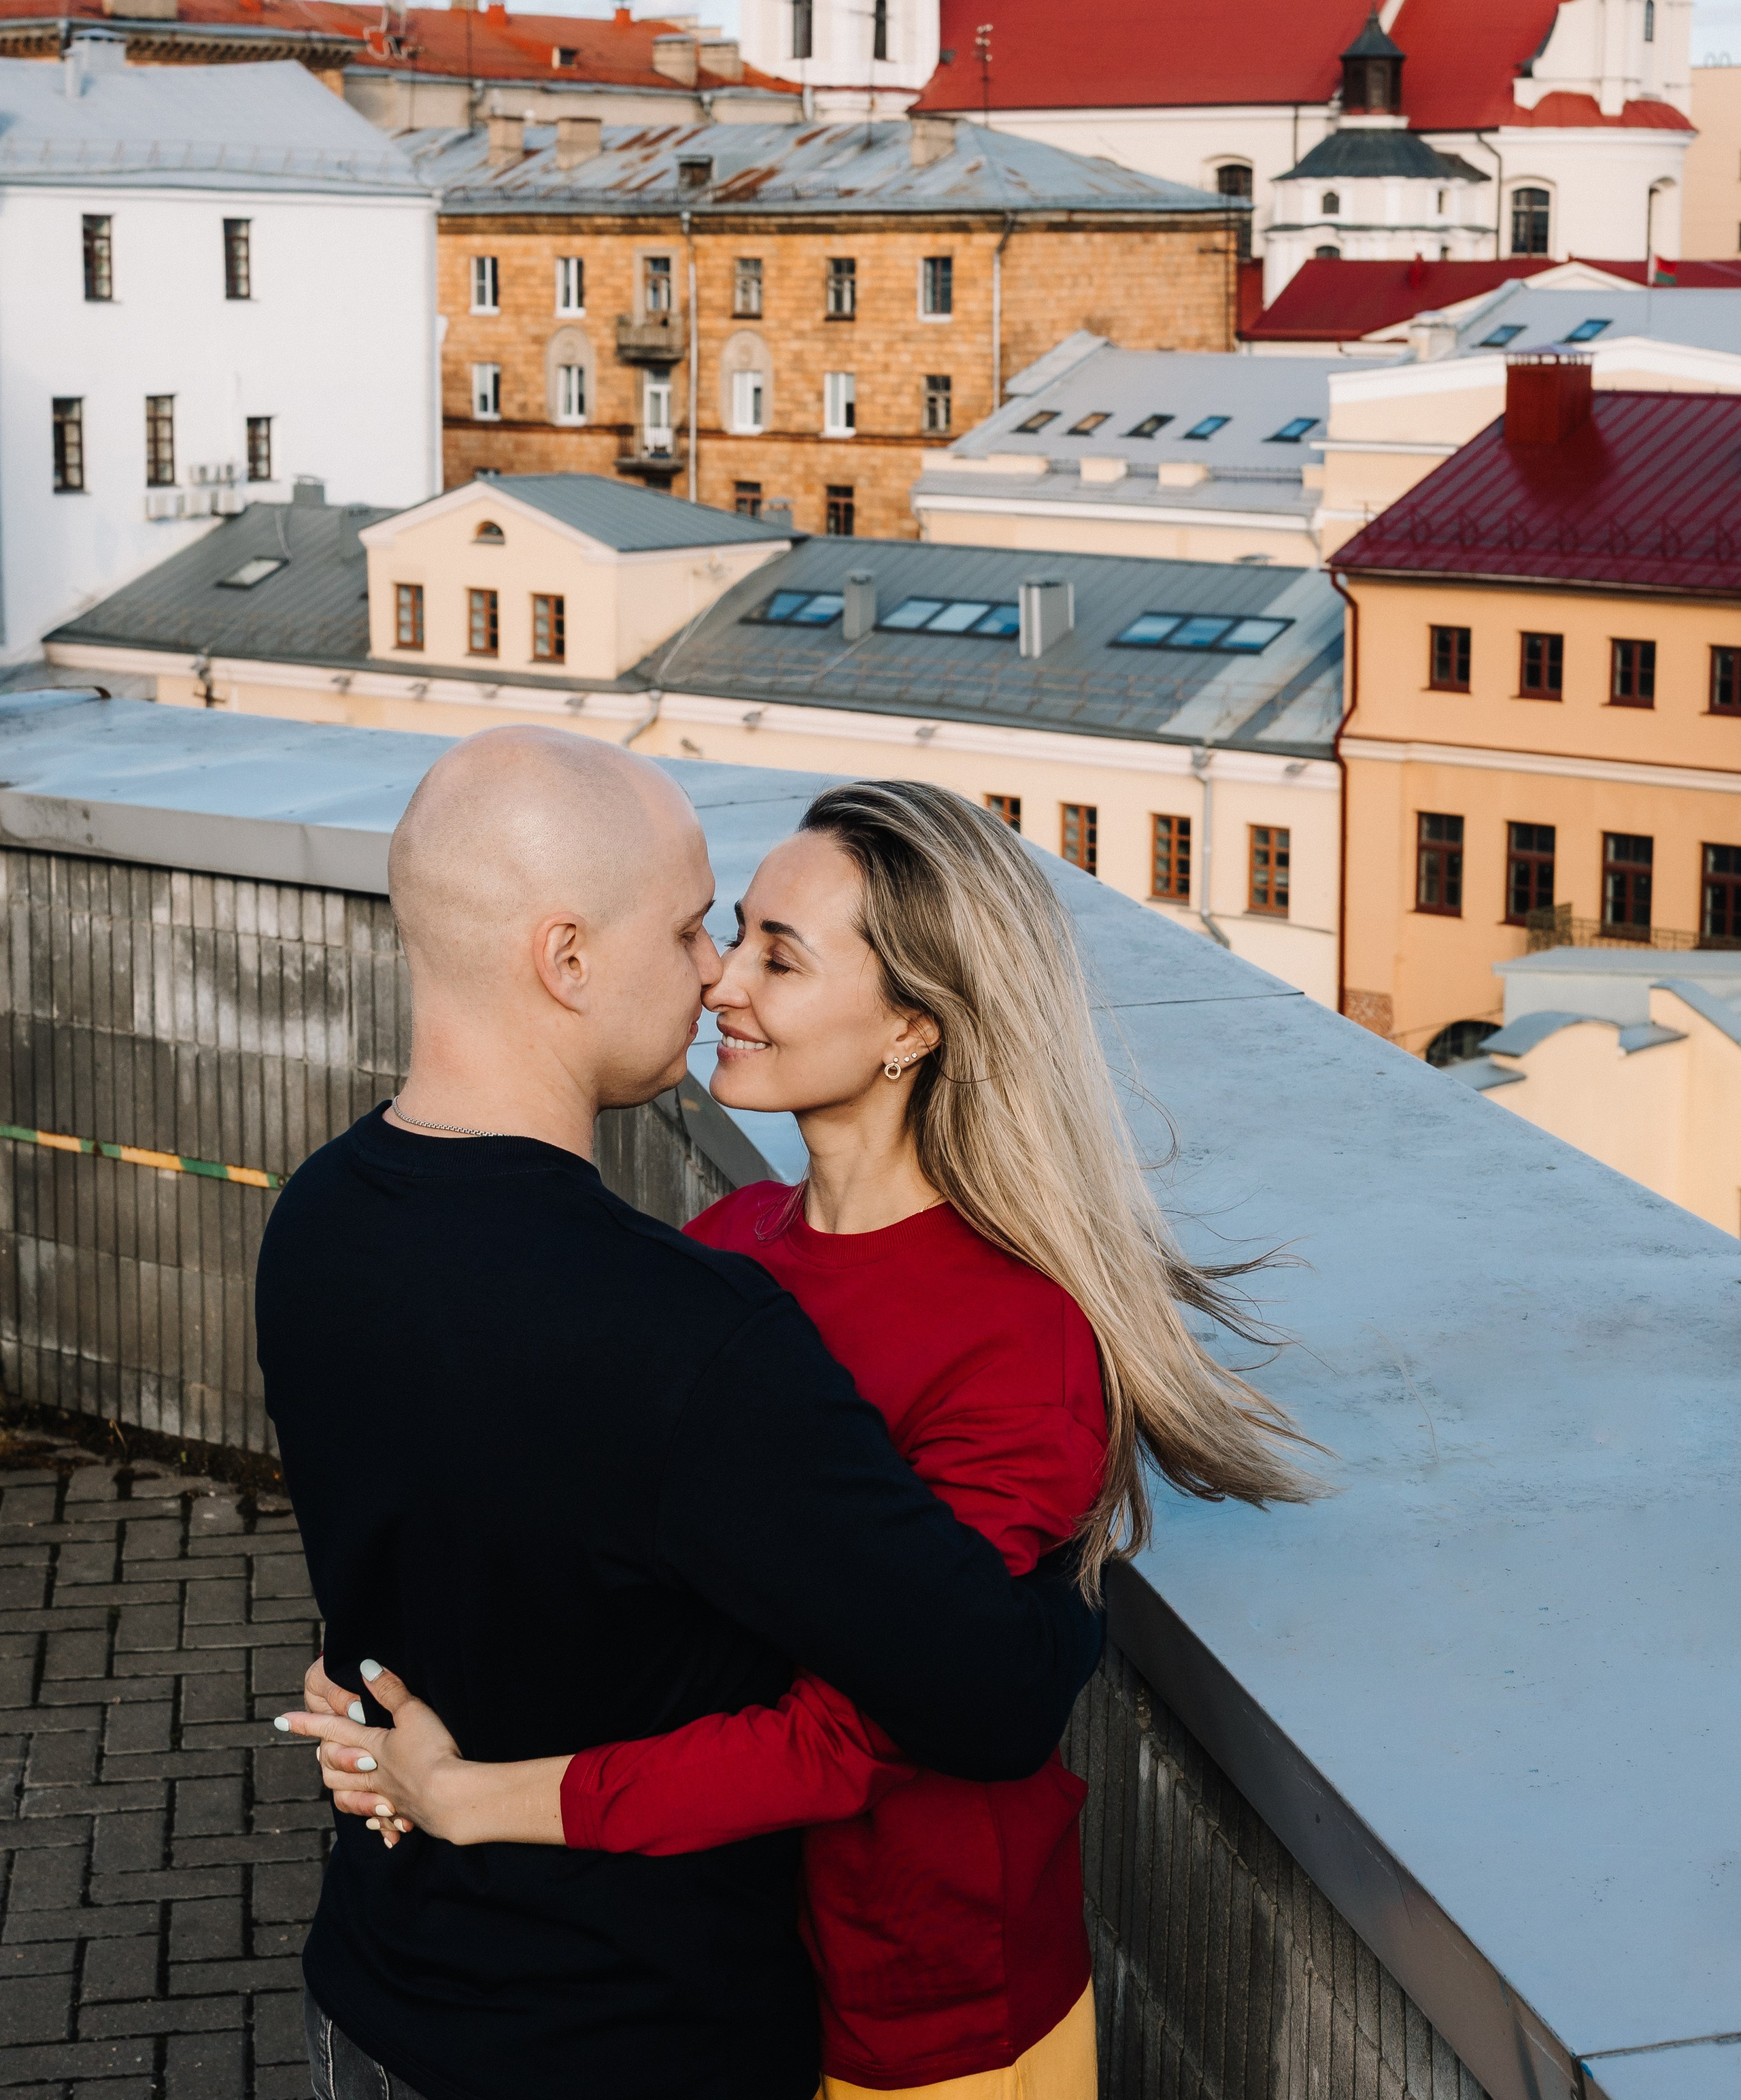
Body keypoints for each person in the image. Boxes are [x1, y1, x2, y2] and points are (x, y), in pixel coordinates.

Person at [282, 777, 1317, 2100]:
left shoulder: (1014, 1330)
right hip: (745, 1967)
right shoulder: (721, 1255)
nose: (721, 984)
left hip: (922, 2009)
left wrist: (467, 1791)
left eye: (777, 953)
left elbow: (879, 1725)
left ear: (910, 1025)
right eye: (728, 933)